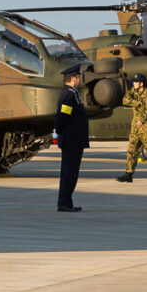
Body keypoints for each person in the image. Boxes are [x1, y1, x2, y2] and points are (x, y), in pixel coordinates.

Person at [54, 64, 89, 212]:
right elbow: (64, 115)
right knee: (70, 172)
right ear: (74, 78)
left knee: (70, 172)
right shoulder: (69, 94)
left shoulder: (71, 93)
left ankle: (66, 202)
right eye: (78, 77)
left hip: (73, 139)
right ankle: (64, 203)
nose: (79, 80)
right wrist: (58, 130)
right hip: (72, 140)